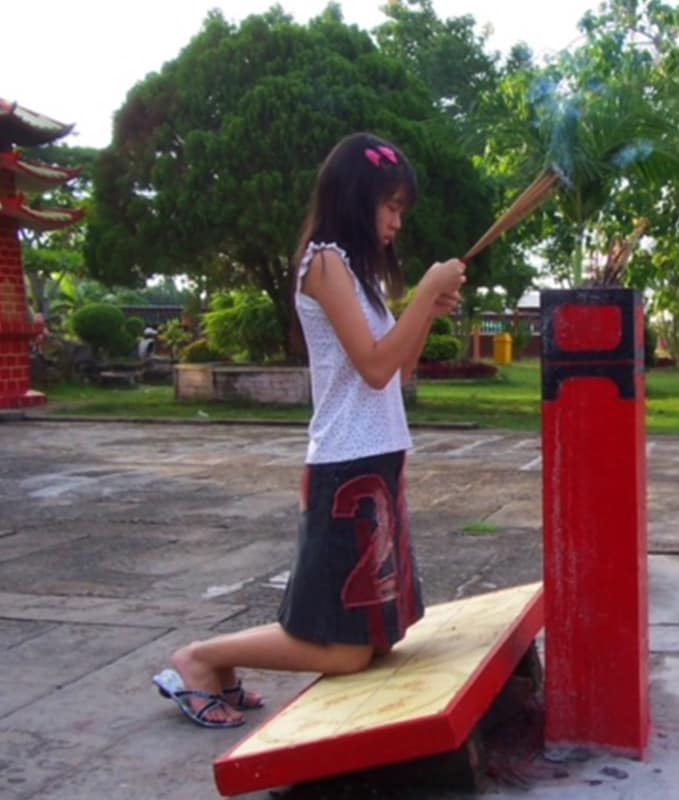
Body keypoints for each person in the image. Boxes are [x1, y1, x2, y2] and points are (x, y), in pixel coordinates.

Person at [152, 132, 467, 728]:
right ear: (354, 196)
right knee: (346, 650)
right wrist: (422, 293)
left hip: (379, 460)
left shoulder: (359, 274)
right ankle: (199, 657)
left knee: (381, 637)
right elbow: (375, 369)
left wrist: (426, 308)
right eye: (390, 205)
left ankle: (215, 666)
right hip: (346, 468)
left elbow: (398, 367)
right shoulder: (324, 263)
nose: (398, 221)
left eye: (403, 209)